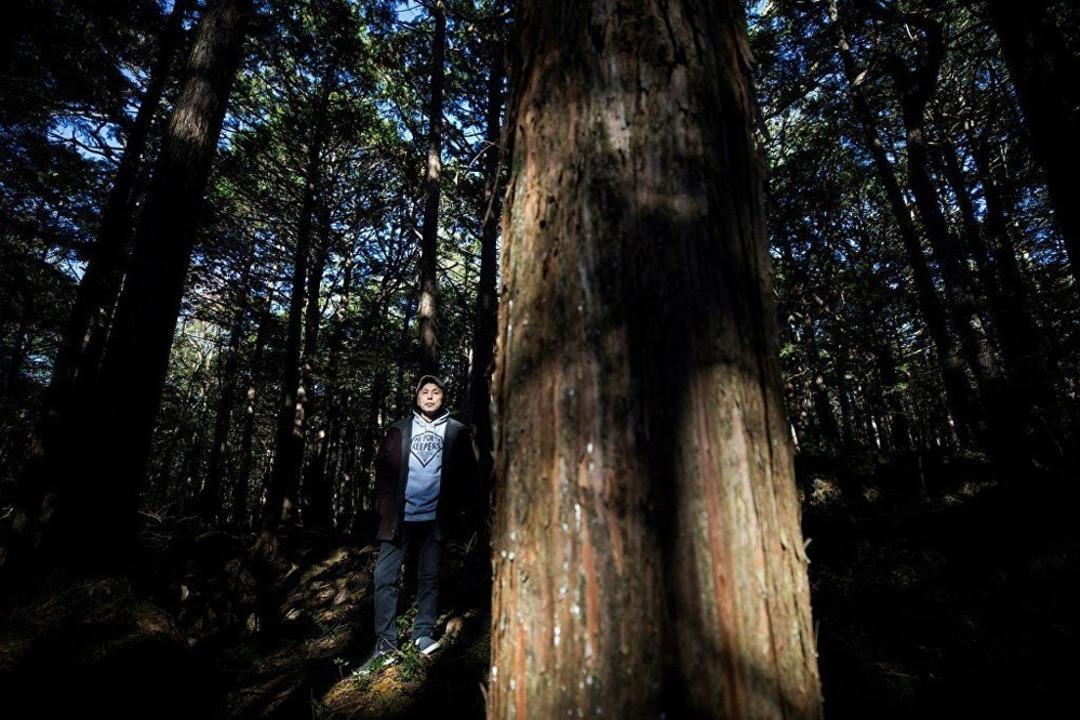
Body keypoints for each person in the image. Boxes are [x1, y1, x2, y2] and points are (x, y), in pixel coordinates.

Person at [357, 374, 477, 674]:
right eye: (425, 391)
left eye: (436, 392)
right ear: (417, 397)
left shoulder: (457, 432)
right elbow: (382, 471)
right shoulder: (399, 429)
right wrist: (382, 507)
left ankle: (422, 633)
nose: (430, 396)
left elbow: (467, 475)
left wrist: (460, 512)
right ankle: (385, 645)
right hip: (399, 519)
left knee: (430, 577)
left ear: (443, 398)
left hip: (435, 519)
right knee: (383, 578)